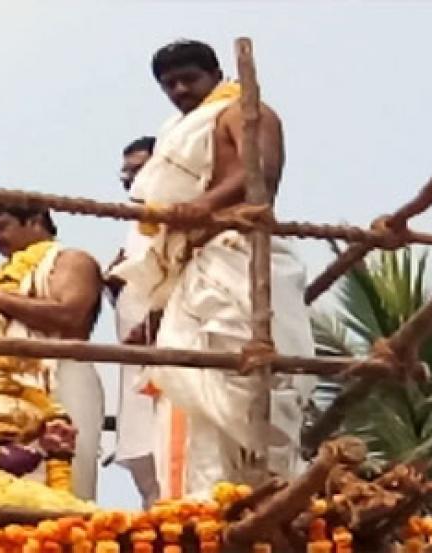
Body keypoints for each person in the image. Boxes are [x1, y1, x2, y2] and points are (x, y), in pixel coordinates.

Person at [107, 40, 315, 498]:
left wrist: (199, 207)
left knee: (244, 378)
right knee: (189, 389)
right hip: (195, 265)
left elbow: (261, 172)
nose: (180, 90)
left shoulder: (243, 111)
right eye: (170, 85)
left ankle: (261, 494)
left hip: (236, 255)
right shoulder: (179, 128)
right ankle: (204, 505)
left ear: (216, 73)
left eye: (190, 79)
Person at [0, 201, 104, 500]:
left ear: (35, 221)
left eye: (1, 228)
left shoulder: (71, 259)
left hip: (61, 377)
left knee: (67, 481)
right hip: (0, 393)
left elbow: (70, 314)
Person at [105, 136, 163, 508]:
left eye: (139, 170)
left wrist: (155, 322)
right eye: (126, 174)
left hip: (176, 363)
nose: (131, 181)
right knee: (152, 484)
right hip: (138, 369)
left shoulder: (181, 220)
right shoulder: (135, 233)